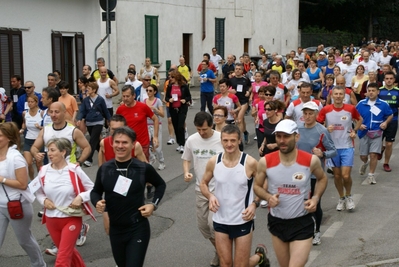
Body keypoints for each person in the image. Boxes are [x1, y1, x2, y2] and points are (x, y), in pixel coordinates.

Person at [254, 119, 328, 267]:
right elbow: (257, 186)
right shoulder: (266, 161)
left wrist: (315, 198)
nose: (282, 140)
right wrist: (268, 197)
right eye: (279, 136)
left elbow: (322, 179)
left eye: (286, 136)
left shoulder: (310, 160)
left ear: (296, 137)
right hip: (277, 221)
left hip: (302, 222)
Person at [91, 126, 166, 267]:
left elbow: (160, 185)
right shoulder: (105, 169)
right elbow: (95, 192)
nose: (120, 146)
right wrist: (97, 202)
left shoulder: (143, 168)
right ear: (111, 143)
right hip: (115, 229)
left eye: (125, 142)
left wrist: (153, 204)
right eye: (117, 142)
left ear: (133, 144)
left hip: (137, 228)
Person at [200, 124, 269, 267]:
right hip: (220, 220)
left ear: (239, 141)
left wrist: (254, 204)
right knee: (225, 264)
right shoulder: (214, 161)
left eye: (232, 140)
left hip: (242, 219)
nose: (229, 144)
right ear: (221, 141)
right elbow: (203, 183)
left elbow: (265, 182)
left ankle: (259, 257)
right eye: (225, 140)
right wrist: (210, 196)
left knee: (240, 265)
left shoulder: (249, 162)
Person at [35, 137, 94, 266]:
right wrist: (43, 200)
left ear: (63, 152)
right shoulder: (44, 170)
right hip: (51, 220)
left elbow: (93, 189)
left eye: (52, 150)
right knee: (68, 252)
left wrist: (81, 197)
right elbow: (37, 191)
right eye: (48, 150)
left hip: (71, 218)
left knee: (62, 258)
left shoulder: (74, 169)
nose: (49, 153)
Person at [0, 122, 46, 267]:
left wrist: (2, 179)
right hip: (0, 205)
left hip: (17, 204)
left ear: (8, 138)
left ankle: (39, 264)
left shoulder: (16, 158)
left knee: (24, 240)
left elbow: (22, 183)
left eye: (0, 136)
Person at [182, 111, 224, 266]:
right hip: (201, 190)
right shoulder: (192, 140)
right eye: (198, 129)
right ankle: (220, 252)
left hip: (219, 190)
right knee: (203, 227)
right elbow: (186, 159)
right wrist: (186, 172)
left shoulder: (221, 139)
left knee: (214, 225)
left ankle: (224, 256)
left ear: (211, 125)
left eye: (204, 130)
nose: (201, 133)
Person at [98, 115, 147, 235]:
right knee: (109, 226)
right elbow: (101, 166)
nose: (116, 132)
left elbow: (145, 166)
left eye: (119, 129)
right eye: (113, 129)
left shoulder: (135, 146)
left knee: (131, 224)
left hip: (131, 188)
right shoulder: (104, 143)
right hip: (111, 187)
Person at [297, 101, 337, 245]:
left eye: (310, 114)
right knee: (299, 203)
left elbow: (333, 150)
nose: (307, 117)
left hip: (315, 174)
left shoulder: (322, 130)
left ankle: (316, 231)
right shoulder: (297, 128)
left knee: (314, 203)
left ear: (316, 115)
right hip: (298, 173)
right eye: (305, 114)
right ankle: (303, 230)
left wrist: (322, 153)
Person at [318, 86, 362, 211]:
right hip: (332, 148)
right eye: (335, 94)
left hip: (347, 146)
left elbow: (359, 119)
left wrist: (355, 131)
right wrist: (326, 129)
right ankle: (341, 197)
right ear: (332, 96)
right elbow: (318, 124)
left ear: (344, 96)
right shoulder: (326, 109)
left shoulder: (350, 108)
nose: (338, 96)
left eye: (340, 94)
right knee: (337, 176)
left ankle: (349, 196)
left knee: (346, 175)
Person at [356, 83, 393, 184]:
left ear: (378, 92)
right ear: (367, 92)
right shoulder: (361, 103)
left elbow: (390, 115)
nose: (371, 92)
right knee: (363, 155)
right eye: (369, 90)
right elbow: (354, 116)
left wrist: (385, 122)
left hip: (377, 133)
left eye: (373, 90)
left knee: (373, 155)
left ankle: (371, 175)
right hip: (364, 133)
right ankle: (365, 162)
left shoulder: (383, 104)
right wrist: (359, 125)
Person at [116, 85, 159, 160]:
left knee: (143, 168)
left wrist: (155, 136)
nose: (125, 99)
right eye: (123, 96)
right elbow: (116, 125)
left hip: (143, 143)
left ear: (134, 96)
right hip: (127, 144)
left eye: (128, 96)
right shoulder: (120, 109)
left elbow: (155, 119)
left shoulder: (143, 107)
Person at [76, 82, 111, 167]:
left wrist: (109, 120)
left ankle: (88, 159)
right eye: (87, 88)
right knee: (96, 141)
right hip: (89, 122)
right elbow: (82, 111)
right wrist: (79, 119)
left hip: (98, 121)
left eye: (89, 88)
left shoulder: (100, 99)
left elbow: (105, 111)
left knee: (92, 140)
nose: (87, 90)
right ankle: (105, 154)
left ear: (94, 90)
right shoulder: (86, 100)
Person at [377, 71, 399, 172]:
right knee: (378, 142)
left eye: (391, 78)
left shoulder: (397, 91)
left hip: (393, 120)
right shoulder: (379, 91)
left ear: (394, 80)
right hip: (380, 121)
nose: (389, 80)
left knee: (389, 144)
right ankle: (381, 149)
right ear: (384, 80)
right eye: (387, 78)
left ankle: (386, 163)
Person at [165, 71, 191, 153]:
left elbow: (189, 96)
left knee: (180, 126)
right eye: (170, 77)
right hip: (173, 108)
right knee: (175, 126)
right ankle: (179, 143)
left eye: (172, 77)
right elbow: (166, 97)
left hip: (182, 108)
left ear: (176, 77)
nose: (170, 79)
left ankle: (183, 144)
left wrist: (185, 100)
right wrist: (169, 99)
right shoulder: (170, 86)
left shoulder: (183, 86)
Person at [20, 95, 43, 180]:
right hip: (28, 139)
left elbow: (46, 127)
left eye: (32, 102)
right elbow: (24, 123)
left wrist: (40, 127)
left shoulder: (41, 112)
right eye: (28, 102)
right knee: (28, 163)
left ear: (36, 102)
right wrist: (22, 129)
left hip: (38, 141)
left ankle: (41, 180)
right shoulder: (25, 113)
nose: (30, 104)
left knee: (38, 163)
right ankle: (32, 181)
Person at [144, 84, 165, 170]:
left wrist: (156, 109)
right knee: (146, 144)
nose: (148, 92)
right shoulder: (144, 101)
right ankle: (152, 158)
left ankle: (161, 162)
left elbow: (162, 114)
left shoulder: (158, 101)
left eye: (150, 91)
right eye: (147, 90)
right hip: (146, 125)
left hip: (156, 125)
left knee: (157, 146)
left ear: (155, 92)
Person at [229, 63, 252, 145]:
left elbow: (250, 86)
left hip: (244, 102)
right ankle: (245, 132)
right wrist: (230, 91)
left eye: (239, 69)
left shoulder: (245, 79)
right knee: (241, 120)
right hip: (235, 102)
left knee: (239, 119)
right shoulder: (231, 80)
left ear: (242, 71)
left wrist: (248, 92)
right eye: (236, 69)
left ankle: (239, 139)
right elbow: (227, 89)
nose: (237, 70)